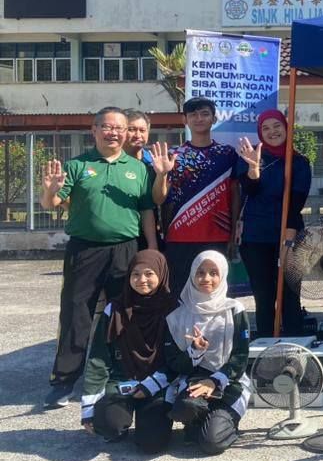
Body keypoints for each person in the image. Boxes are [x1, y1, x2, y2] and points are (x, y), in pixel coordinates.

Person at [39, 107, 157, 408]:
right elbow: (53, 202)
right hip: (84, 250)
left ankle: (120, 372)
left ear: (126, 133)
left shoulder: (139, 169)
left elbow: (146, 211)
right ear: (94, 130)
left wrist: (152, 247)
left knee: (124, 313)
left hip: (126, 250)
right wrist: (49, 191)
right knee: (76, 313)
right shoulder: (78, 165)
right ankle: (64, 380)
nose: (113, 132)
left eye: (119, 128)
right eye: (106, 126)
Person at [81, 250, 175, 453]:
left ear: (161, 274)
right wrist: (88, 408)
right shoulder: (115, 309)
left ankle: (147, 418)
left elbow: (176, 360)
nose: (142, 280)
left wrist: (151, 385)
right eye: (135, 274)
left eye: (149, 273)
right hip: (121, 382)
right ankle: (120, 421)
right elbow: (99, 357)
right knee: (108, 425)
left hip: (158, 384)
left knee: (152, 443)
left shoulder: (173, 309)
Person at [163, 250, 251, 455]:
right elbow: (173, 362)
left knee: (212, 443)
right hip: (194, 380)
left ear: (223, 275)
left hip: (229, 381)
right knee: (184, 407)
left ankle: (222, 423)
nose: (206, 278)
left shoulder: (234, 310)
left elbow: (240, 356)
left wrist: (215, 381)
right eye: (200, 272)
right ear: (192, 274)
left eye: (214, 273)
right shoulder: (178, 315)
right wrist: (195, 351)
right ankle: (199, 421)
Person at [152, 98, 241, 293]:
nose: (199, 118)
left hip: (217, 236)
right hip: (179, 237)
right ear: (185, 120)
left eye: (204, 114)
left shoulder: (227, 154)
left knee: (213, 294)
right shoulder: (174, 155)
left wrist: (233, 231)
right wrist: (161, 174)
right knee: (179, 294)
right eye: (193, 115)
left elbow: (234, 195)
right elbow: (158, 199)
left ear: (214, 118)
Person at [236, 109, 312, 338]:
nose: (272, 132)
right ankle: (266, 345)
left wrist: (288, 241)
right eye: (266, 128)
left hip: (289, 236)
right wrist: (253, 169)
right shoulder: (251, 156)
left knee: (290, 294)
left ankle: (295, 346)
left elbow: (296, 203)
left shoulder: (299, 162)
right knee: (264, 295)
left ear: (286, 128)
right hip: (256, 238)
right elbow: (249, 190)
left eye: (277, 126)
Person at [124, 109, 160, 250]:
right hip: (120, 238)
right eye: (132, 129)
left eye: (142, 130)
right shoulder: (109, 163)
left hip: (150, 238)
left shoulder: (155, 164)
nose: (138, 135)